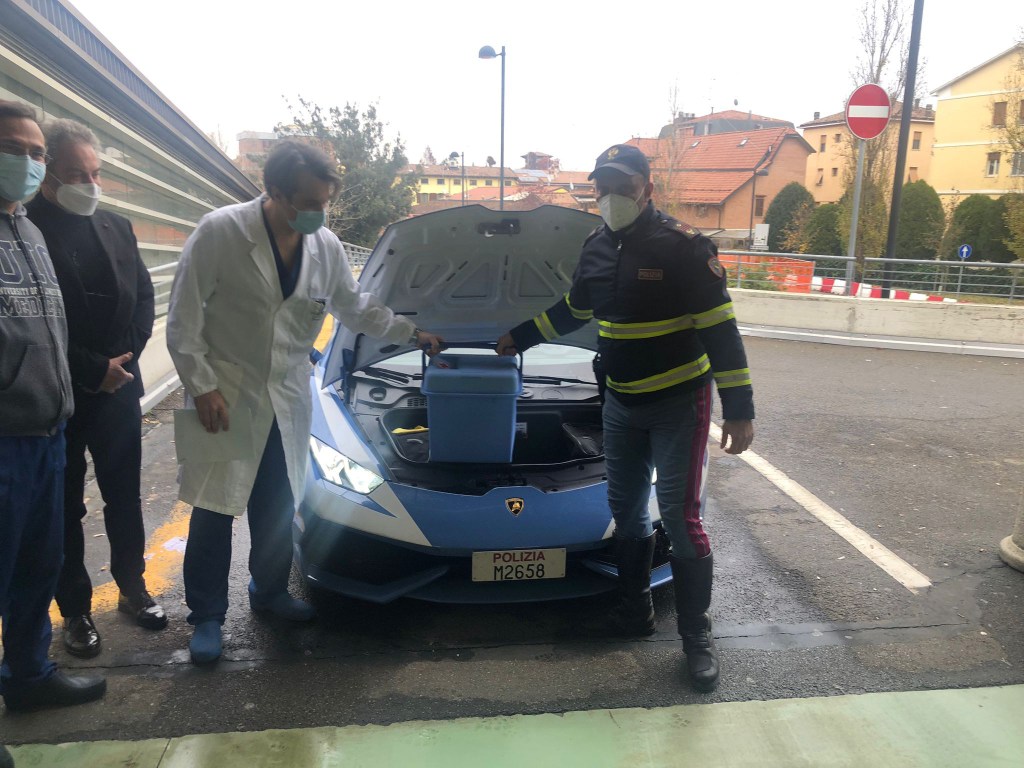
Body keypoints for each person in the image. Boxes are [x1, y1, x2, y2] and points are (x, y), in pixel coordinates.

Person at [167, 140, 443, 664]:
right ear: (273, 193)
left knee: (276, 505)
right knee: (213, 510)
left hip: (288, 395)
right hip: (223, 393)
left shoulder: (327, 248)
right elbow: (183, 320)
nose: (320, 213)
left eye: (326, 202)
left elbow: (353, 306)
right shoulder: (221, 232)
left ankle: (268, 592)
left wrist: (412, 333)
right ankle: (206, 617)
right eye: (309, 203)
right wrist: (201, 386)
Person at [496, 143, 754, 692]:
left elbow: (720, 330)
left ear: (647, 190)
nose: (612, 197)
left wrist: (740, 409)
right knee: (627, 511)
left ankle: (696, 639)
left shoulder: (685, 248)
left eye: (623, 187)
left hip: (679, 403)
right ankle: (633, 614)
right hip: (619, 402)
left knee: (682, 521)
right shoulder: (594, 247)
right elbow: (574, 310)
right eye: (603, 188)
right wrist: (518, 338)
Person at [26, 119, 162, 660]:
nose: (90, 183)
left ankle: (133, 588)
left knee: (124, 494)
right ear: (48, 175)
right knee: (64, 505)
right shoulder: (26, 229)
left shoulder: (116, 226)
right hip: (61, 392)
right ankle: (76, 610)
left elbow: (145, 297)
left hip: (119, 386)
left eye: (96, 173)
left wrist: (121, 359)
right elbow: (39, 321)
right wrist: (91, 369)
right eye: (77, 174)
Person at [0, 100, 106, 718]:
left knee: (38, 567)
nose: (29, 162)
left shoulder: (32, 233)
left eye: (37, 152)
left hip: (47, 433)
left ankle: (29, 674)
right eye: (15, 149)